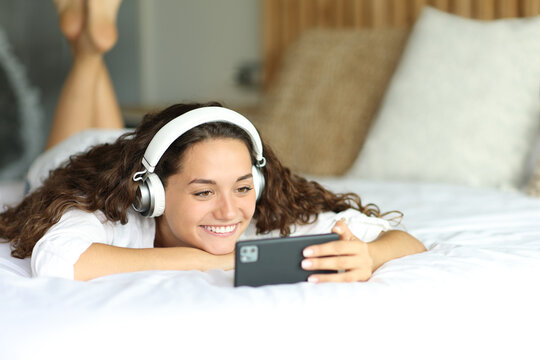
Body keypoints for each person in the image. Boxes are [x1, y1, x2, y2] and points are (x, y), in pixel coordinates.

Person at [0, 0, 426, 282]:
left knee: (103, 110)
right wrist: (220, 260)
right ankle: (88, 50)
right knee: (80, 134)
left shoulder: (265, 211)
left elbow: (405, 240)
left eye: (242, 186)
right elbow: (58, 261)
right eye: (203, 191)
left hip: (127, 144)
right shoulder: (112, 209)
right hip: (73, 156)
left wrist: (369, 256)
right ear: (152, 193)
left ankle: (89, 44)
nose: (229, 210)